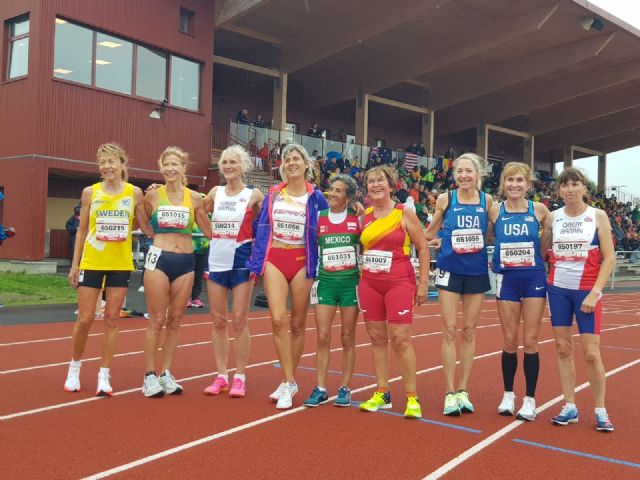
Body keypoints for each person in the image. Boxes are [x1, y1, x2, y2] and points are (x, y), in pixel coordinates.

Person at [64, 143, 152, 396]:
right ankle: (74, 368)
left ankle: (104, 374)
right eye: (102, 162)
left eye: (112, 161)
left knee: (112, 319)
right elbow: (81, 230)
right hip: (92, 262)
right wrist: (75, 264)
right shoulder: (89, 192)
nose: (106, 166)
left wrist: (151, 200)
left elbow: (143, 225)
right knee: (85, 318)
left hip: (119, 264)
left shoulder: (134, 193)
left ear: (123, 165)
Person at [247, 143, 328, 409]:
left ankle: (288, 380)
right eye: (287, 159)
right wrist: (257, 262)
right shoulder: (273, 194)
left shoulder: (316, 197)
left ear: (306, 165)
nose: (291, 162)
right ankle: (289, 380)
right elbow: (260, 226)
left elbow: (330, 222)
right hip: (275, 259)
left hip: (303, 261)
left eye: (296, 158)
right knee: (277, 319)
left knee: (298, 324)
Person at [541, 167, 616, 432]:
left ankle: (600, 410)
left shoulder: (598, 216)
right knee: (562, 348)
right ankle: (569, 405)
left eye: (575, 184)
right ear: (559, 190)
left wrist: (595, 292)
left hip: (587, 291)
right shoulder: (553, 217)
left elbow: (610, 257)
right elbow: (543, 251)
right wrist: (545, 234)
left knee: (591, 354)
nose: (570, 189)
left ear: (584, 187)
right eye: (565, 185)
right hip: (558, 289)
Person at [357, 165, 429, 419]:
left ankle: (412, 396)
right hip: (369, 284)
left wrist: (422, 284)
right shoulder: (363, 215)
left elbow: (422, 247)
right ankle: (382, 392)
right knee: (377, 338)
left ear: (391, 185)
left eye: (380, 181)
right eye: (371, 181)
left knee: (400, 339)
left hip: (399, 282)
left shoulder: (404, 213)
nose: (375, 185)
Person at [425, 153, 493, 416]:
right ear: (454, 176)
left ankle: (464, 390)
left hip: (475, 271)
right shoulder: (446, 199)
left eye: (469, 171)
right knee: (449, 329)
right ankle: (449, 392)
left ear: (478, 175)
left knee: (469, 330)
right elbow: (430, 232)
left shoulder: (488, 201)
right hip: (450, 270)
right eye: (459, 171)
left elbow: (490, 233)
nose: (464, 176)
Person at [141, 146, 212, 398]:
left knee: (175, 320)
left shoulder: (194, 198)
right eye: (166, 164)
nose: (170, 168)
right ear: (161, 168)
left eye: (175, 164)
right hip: (159, 259)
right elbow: (141, 221)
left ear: (184, 168)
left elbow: (208, 230)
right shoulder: (151, 196)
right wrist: (154, 237)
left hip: (186, 262)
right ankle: (149, 375)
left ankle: (166, 373)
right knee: (157, 319)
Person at [488, 162, 549, 421]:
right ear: (504, 183)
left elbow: (546, 242)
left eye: (519, 180)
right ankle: (508, 395)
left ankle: (530, 400)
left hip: (533, 277)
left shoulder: (540, 210)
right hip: (507, 279)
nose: (514, 185)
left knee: (531, 340)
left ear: (528, 184)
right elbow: (488, 237)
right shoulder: (494, 210)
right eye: (510, 180)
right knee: (510, 340)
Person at [203, 145, 264, 397]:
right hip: (216, 262)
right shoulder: (215, 192)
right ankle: (221, 375)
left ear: (243, 166)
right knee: (218, 321)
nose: (228, 166)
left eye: (234, 162)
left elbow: (262, 225)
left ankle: (239, 376)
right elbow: (196, 210)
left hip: (241, 262)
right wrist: (210, 233)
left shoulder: (254, 194)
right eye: (225, 162)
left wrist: (257, 258)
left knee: (239, 320)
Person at [303, 174, 360, 408]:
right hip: (325, 282)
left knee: (348, 337)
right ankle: (320, 387)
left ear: (348, 196)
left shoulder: (358, 219)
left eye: (338, 191)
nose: (332, 194)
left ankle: (345, 388)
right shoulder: (319, 218)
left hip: (350, 284)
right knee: (323, 336)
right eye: (331, 189)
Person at [187, 197, 209, 309]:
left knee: (198, 275)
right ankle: (186, 298)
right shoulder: (190, 216)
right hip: (190, 249)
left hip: (203, 250)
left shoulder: (208, 216)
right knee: (188, 274)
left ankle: (196, 297)